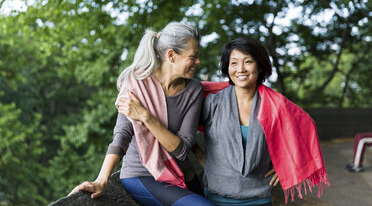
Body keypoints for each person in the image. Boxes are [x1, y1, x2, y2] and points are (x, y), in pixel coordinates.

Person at [69, 22, 214, 206]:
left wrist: (146, 117)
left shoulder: (194, 89)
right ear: (171, 55)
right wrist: (101, 180)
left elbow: (182, 150)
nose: (198, 62)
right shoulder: (136, 84)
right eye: (193, 57)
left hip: (181, 171)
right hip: (142, 175)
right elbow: (122, 135)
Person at [199, 37, 330, 206]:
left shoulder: (275, 105)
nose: (240, 69)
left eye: (248, 62)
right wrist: (203, 161)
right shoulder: (212, 103)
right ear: (227, 67)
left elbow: (306, 127)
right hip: (215, 198)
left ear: (260, 66)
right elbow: (182, 131)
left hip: (260, 198)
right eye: (234, 63)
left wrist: (286, 165)